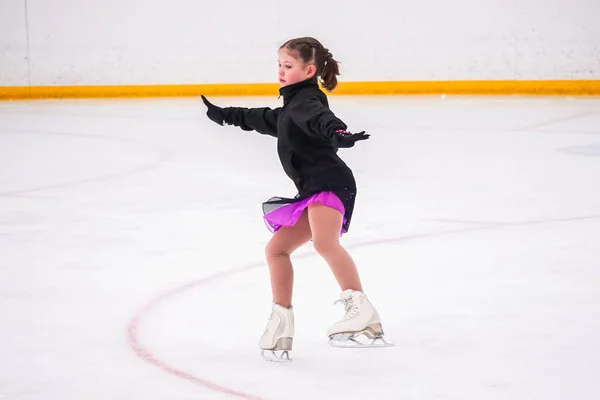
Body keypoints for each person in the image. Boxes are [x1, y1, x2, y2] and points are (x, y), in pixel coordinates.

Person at [201, 37, 391, 361]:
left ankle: (361, 310)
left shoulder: (305, 104)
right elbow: (258, 117)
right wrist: (226, 115)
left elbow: (322, 119)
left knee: (324, 243)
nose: (280, 71)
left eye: (288, 66)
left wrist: (338, 134)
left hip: (329, 184)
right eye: (279, 65)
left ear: (309, 70)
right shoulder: (290, 110)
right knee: (277, 250)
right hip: (313, 190)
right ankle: (281, 323)